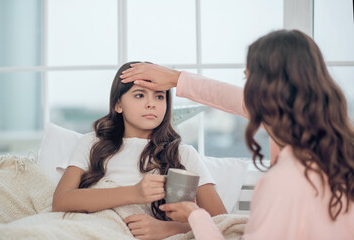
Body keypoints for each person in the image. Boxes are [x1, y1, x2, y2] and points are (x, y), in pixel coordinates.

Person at [120, 30, 354, 239]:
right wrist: (177, 78)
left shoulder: (285, 181)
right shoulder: (341, 154)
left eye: (247, 79)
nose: (245, 93)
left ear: (264, 92)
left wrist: (194, 216)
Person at [52, 61, 227, 240]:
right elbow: (61, 201)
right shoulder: (92, 143)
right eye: (139, 95)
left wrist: (171, 229)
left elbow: (222, 221)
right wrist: (134, 193)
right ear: (118, 105)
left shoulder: (183, 154)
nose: (151, 104)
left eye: (159, 96)